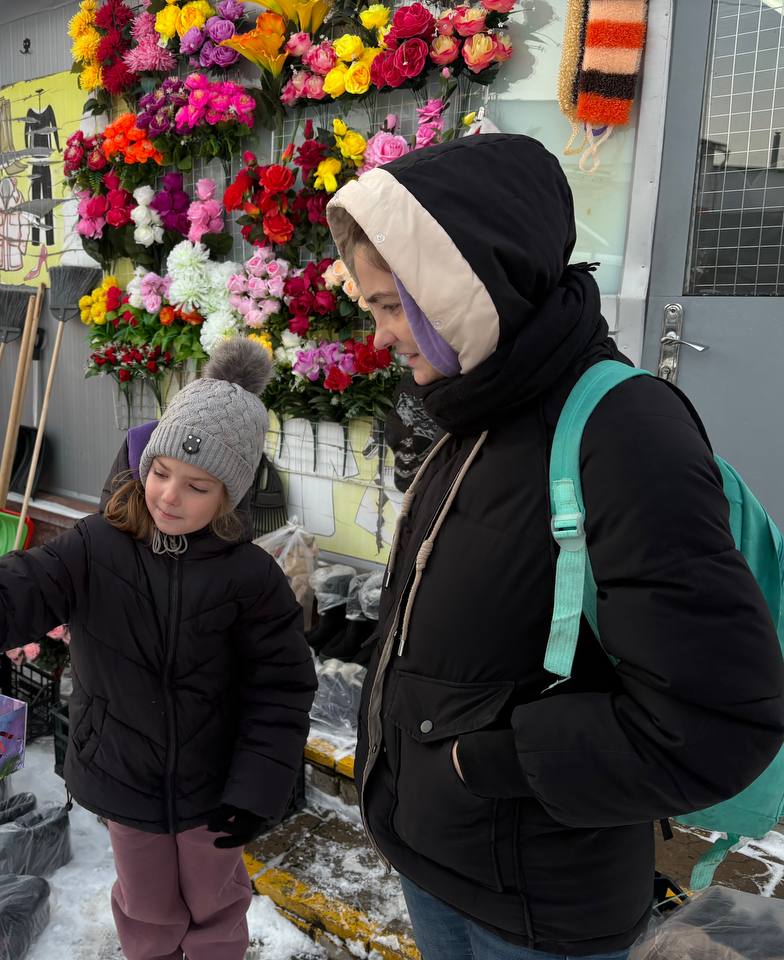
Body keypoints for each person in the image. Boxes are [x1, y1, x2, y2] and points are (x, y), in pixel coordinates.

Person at [324, 133, 784, 958]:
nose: (382, 336)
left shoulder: (622, 432)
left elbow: (716, 722)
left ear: (467, 288)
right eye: (374, 310)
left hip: (537, 907)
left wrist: (485, 766)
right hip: (436, 859)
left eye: (395, 306)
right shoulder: (475, 409)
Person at [0, 339, 317, 960]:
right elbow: (14, 589)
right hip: (124, 773)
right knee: (149, 907)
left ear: (229, 498)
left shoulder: (251, 579)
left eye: (196, 486)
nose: (168, 496)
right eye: (160, 473)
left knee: (214, 905)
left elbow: (282, 689)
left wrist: (256, 790)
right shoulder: (96, 547)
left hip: (215, 788)